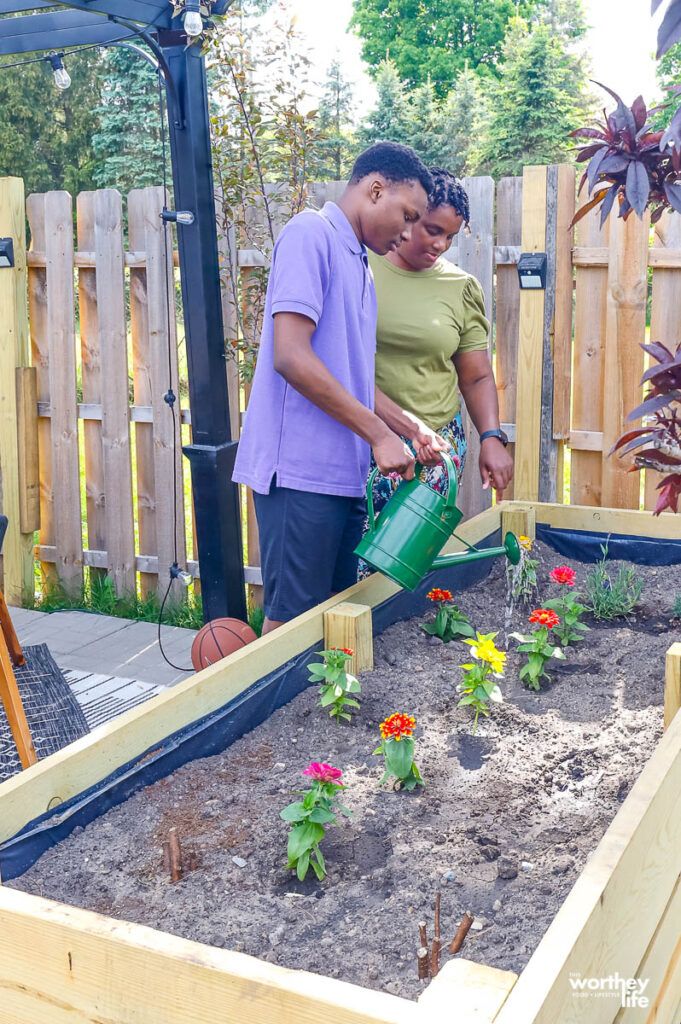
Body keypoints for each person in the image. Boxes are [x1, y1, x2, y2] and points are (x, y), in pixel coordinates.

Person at [233, 143, 448, 634]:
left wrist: (408, 426)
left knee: (333, 619)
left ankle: (324, 713)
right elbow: (291, 355)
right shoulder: (310, 234)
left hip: (340, 476)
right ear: (375, 190)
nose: (410, 232)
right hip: (299, 475)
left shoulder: (360, 264)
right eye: (408, 214)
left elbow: (346, 373)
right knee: (290, 628)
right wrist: (377, 435)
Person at [363, 167, 514, 537]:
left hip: (437, 446)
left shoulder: (460, 287)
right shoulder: (363, 267)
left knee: (413, 563)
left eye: (450, 235)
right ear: (409, 215)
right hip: (368, 441)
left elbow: (476, 375)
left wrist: (491, 437)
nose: (441, 244)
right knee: (363, 567)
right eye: (433, 230)